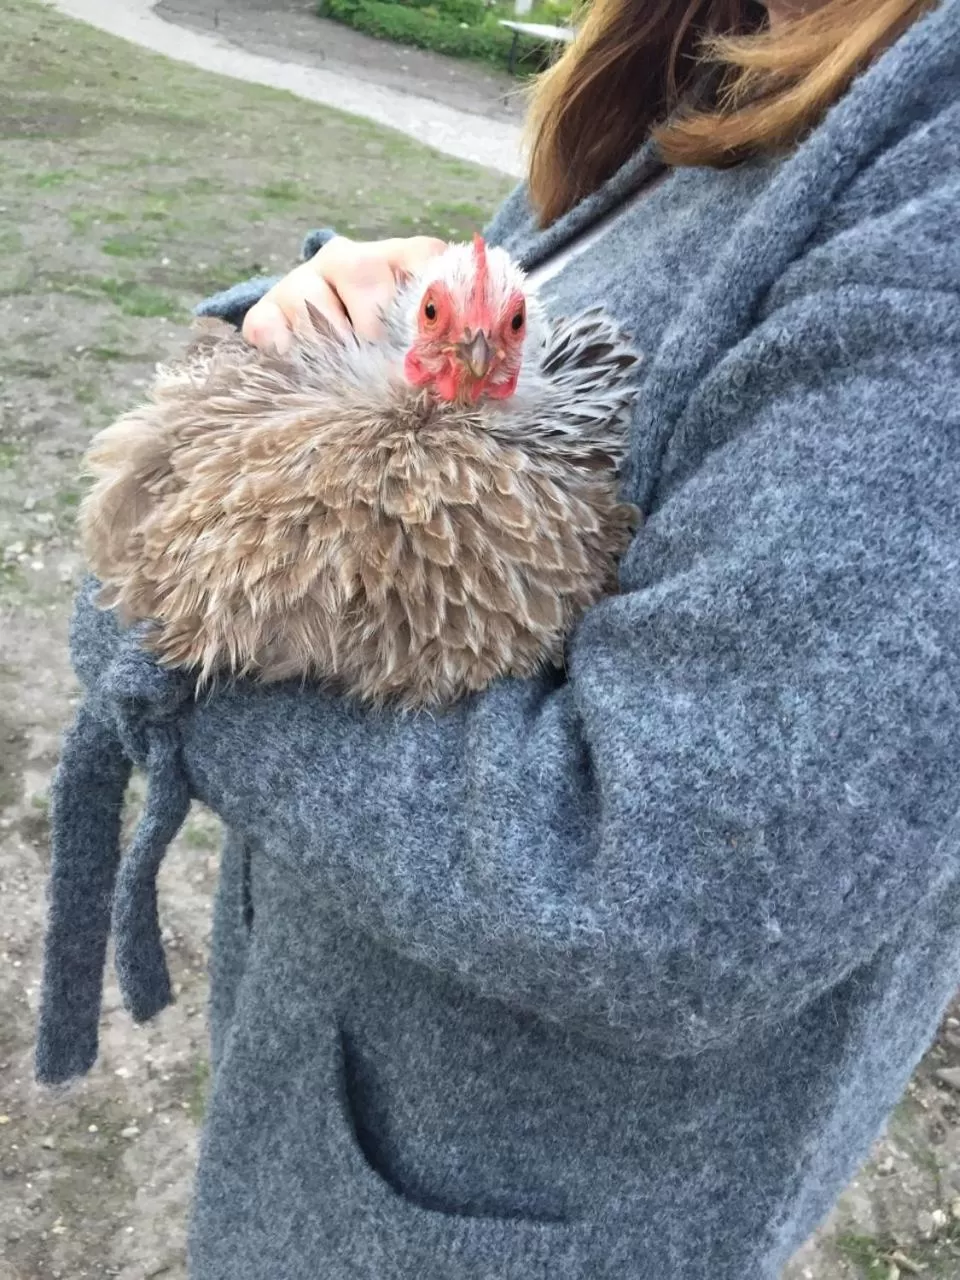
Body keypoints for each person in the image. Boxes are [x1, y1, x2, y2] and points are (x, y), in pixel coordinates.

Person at [36, 0, 960, 1276]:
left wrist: (159, 622)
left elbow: (668, 885)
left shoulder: (931, 168)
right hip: (346, 1077)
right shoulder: (713, 43)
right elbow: (526, 332)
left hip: (511, 1213)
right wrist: (301, 338)